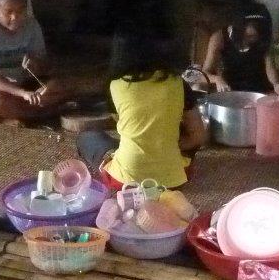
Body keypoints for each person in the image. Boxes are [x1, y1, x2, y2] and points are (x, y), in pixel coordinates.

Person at [77, 29, 207, 190]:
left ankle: (115, 156)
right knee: (174, 133)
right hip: (174, 179)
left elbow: (124, 125)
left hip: (125, 181)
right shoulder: (178, 83)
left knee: (87, 137)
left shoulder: (114, 85)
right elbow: (198, 136)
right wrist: (165, 148)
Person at [202, 3, 279, 94]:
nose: (254, 39)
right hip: (232, 91)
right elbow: (204, 74)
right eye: (249, 36)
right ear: (239, 28)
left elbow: (270, 69)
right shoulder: (219, 38)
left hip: (260, 90)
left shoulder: (262, 38)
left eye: (257, 36)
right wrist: (217, 79)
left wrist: (277, 84)